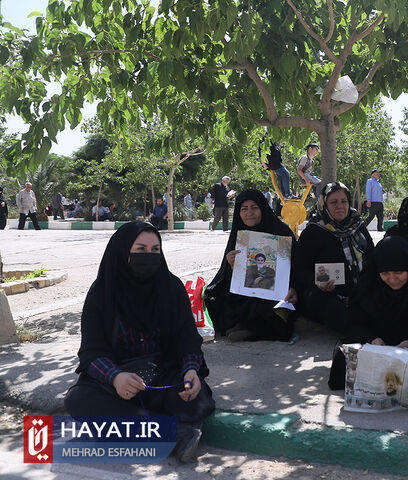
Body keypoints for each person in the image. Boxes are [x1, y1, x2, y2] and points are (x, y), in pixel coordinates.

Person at [64, 222, 215, 463]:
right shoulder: (102, 292)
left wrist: (190, 369)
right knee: (79, 400)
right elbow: (91, 351)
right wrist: (115, 377)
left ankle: (144, 431)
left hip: (162, 375)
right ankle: (176, 432)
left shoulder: (171, 287)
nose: (149, 256)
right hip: (119, 380)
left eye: (155, 250)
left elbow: (187, 337)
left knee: (195, 394)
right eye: (141, 249)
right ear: (123, 251)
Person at [204, 189, 297, 342]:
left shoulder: (281, 232)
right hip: (246, 289)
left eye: (254, 207)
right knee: (213, 299)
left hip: (274, 291)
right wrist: (232, 265)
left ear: (263, 208)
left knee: (267, 304)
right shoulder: (239, 234)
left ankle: (249, 328)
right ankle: (245, 325)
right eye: (244, 209)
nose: (249, 213)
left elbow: (296, 267)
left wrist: (293, 287)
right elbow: (226, 277)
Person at [294, 182, 374, 334]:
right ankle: (362, 335)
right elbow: (299, 270)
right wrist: (317, 282)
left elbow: (372, 257)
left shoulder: (358, 226)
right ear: (324, 204)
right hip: (326, 294)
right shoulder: (313, 232)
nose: (340, 206)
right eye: (333, 202)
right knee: (326, 304)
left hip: (360, 290)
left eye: (344, 201)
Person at [347, 236, 408, 357]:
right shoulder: (368, 286)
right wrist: (372, 339)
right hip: (377, 352)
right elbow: (353, 323)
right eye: (385, 273)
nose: (392, 279)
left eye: (399, 272)